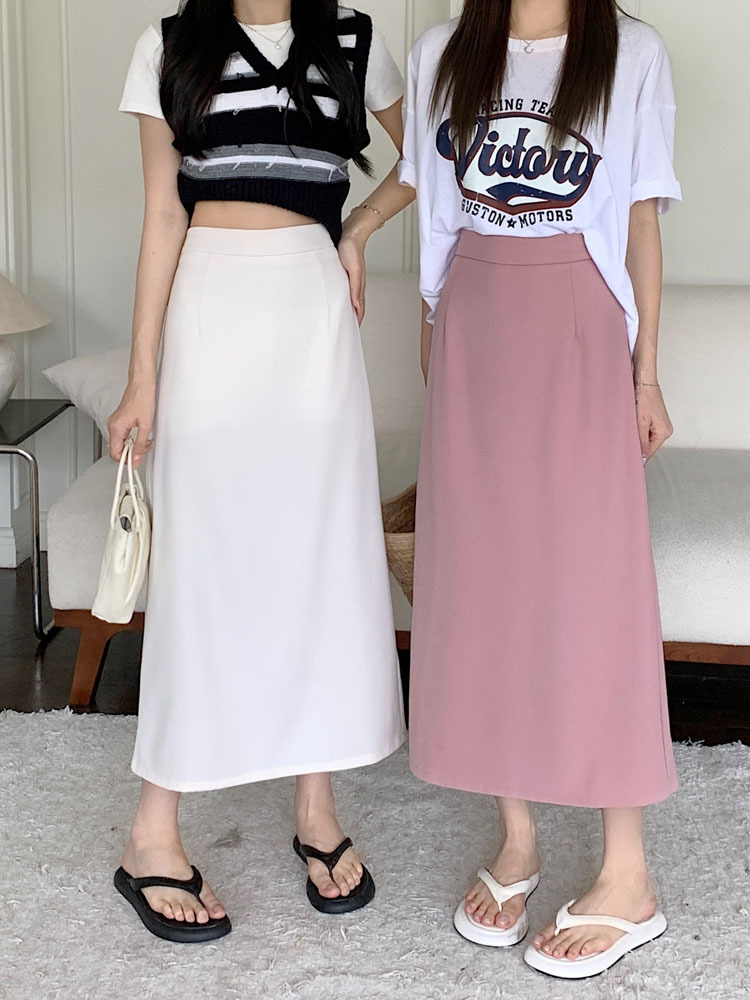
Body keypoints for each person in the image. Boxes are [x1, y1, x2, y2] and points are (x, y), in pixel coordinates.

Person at [350, 0, 680, 980]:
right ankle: (518, 838)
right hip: (473, 323)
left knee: (596, 587)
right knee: (484, 584)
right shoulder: (447, 51)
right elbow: (434, 197)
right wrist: (403, 283)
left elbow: (640, 218)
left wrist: (646, 374)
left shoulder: (631, 52)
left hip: (579, 316)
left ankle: (629, 873)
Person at [109, 0, 406, 942]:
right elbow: (164, 213)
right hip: (209, 313)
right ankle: (152, 833)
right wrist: (142, 376)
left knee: (319, 561)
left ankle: (315, 810)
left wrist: (358, 230)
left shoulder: (354, 40)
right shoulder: (168, 45)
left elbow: (435, 160)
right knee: (202, 566)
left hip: (313, 317)